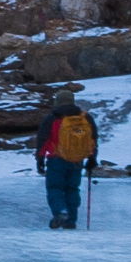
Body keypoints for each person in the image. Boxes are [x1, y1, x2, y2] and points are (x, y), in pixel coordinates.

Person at [33, 93, 97, 229]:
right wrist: (92, 158)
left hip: (56, 159)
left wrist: (40, 159)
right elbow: (93, 139)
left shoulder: (52, 118)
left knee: (55, 187)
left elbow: (43, 140)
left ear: (57, 102)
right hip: (77, 160)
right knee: (72, 188)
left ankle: (61, 212)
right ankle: (71, 220)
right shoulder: (85, 117)